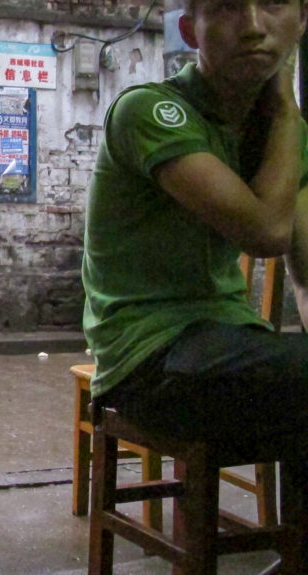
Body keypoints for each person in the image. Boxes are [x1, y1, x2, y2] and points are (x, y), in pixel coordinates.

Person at [82, 0, 308, 446]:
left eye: (274, 5)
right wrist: (286, 107)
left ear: (301, 20)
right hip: (147, 357)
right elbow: (265, 234)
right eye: (226, 9)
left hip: (234, 337)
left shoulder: (283, 139)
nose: (253, 26)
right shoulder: (149, 111)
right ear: (190, 31)